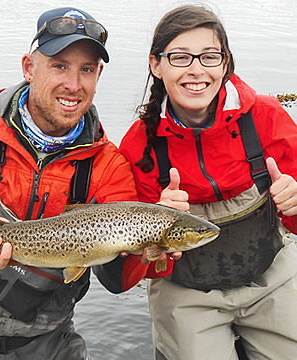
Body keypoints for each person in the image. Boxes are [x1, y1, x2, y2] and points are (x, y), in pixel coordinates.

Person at [0, 7, 165, 359]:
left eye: (87, 70)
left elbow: (118, 280)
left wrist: (151, 250)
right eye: (59, 65)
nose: (73, 85)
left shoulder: (109, 165)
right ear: (28, 67)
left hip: (50, 342)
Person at [118, 5, 297, 360]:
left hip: (271, 276)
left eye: (209, 56)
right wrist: (154, 230)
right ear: (156, 65)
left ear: (226, 63)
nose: (196, 70)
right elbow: (132, 268)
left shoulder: (265, 117)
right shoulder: (139, 145)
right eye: (180, 57)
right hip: (185, 291)